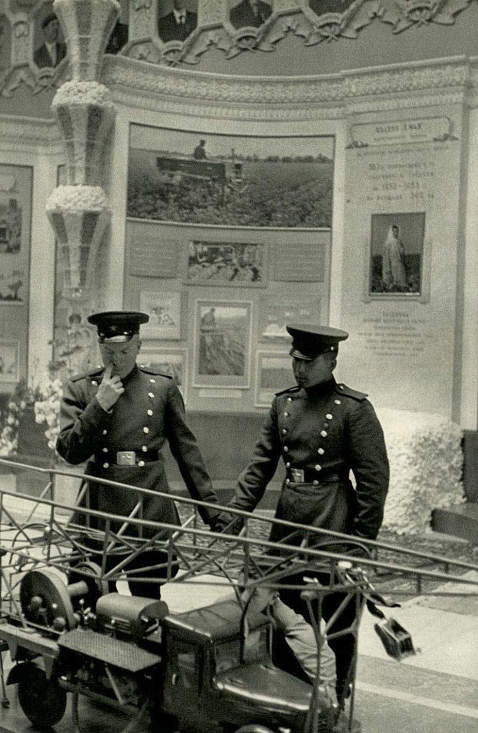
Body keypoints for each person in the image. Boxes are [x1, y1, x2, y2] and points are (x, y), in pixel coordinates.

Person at [218, 323, 389, 701]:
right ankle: (290, 697)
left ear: (331, 360)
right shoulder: (284, 404)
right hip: (290, 520)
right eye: (296, 361)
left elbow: (374, 483)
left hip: (333, 520)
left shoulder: (354, 410)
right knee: (283, 613)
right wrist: (234, 517)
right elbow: (260, 467)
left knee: (339, 619)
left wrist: (359, 546)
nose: (299, 369)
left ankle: (336, 701)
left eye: (308, 362)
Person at [56, 311, 223, 599]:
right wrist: (99, 405)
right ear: (100, 346)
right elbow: (69, 451)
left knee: (146, 597)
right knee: (86, 590)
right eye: (109, 351)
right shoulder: (82, 388)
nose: (116, 359)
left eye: (123, 351)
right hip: (100, 501)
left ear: (138, 346)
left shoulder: (161, 388)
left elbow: (186, 451)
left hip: (148, 500)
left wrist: (212, 512)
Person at [382, 223, 407, 291]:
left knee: (401, 285)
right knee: (393, 286)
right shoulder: (388, 243)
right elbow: (386, 257)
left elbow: (402, 254)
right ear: (391, 232)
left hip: (400, 266)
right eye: (394, 231)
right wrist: (388, 269)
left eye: (397, 231)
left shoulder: (399, 242)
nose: (396, 233)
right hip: (392, 266)